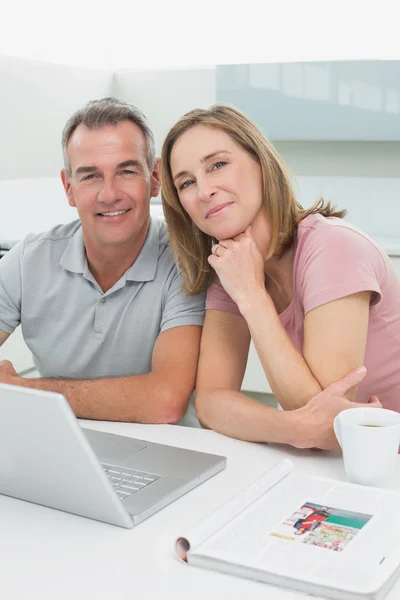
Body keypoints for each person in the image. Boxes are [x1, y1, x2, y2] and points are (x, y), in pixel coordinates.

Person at [160, 103, 399, 444]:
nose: (203, 191)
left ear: (260, 162)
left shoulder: (333, 248)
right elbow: (211, 404)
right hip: (338, 465)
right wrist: (296, 429)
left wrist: (252, 295)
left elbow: (318, 408)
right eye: (186, 183)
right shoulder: (230, 267)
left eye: (218, 165)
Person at [0, 98, 206, 424]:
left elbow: (164, 401)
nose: (109, 194)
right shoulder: (29, 259)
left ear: (154, 178)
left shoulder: (186, 263)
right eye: (91, 176)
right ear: (69, 188)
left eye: (126, 171)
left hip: (166, 458)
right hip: (60, 446)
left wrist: (24, 391)